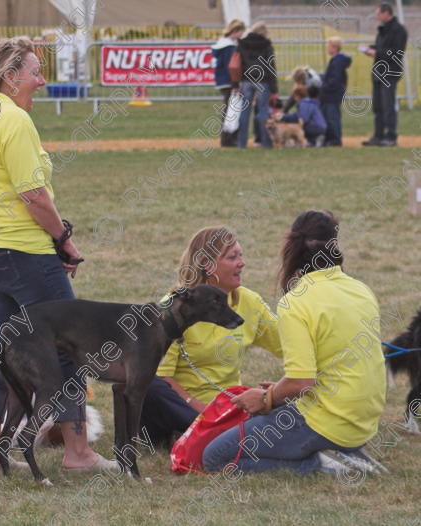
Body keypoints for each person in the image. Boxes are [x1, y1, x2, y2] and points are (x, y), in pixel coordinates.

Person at [0, 37, 117, 473]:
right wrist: (62, 238)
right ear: (11, 77)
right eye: (35, 72)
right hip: (24, 255)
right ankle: (78, 453)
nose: (42, 80)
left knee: (6, 352)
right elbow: (33, 194)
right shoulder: (13, 120)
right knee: (67, 348)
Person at [202, 210, 386, 476]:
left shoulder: (296, 302)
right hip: (363, 422)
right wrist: (278, 392)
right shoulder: (361, 289)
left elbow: (301, 383)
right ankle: (346, 451)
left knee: (215, 457)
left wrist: (266, 397)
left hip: (327, 422)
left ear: (292, 247)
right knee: (263, 418)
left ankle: (322, 463)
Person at [140, 226, 283, 447]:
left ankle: (221, 431)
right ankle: (210, 431)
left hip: (225, 405)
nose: (242, 262)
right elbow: (162, 377)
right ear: (207, 265)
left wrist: (280, 391)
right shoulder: (174, 306)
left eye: (241, 255)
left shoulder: (249, 302)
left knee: (289, 397)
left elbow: (287, 346)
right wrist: (199, 409)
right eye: (232, 257)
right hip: (179, 405)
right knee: (148, 384)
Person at [361, 3, 407, 147]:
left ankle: (391, 136)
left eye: (378, 14)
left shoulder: (399, 30)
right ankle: (378, 136)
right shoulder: (382, 30)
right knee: (378, 106)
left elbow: (397, 53)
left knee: (388, 105)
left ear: (387, 13)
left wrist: (377, 53)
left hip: (390, 72)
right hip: (378, 71)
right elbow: (383, 48)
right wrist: (371, 49)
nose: (377, 17)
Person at [236, 22, 278, 149]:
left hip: (246, 79)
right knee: (263, 111)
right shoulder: (266, 44)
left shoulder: (242, 44)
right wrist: (274, 89)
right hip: (263, 80)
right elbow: (271, 66)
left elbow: (238, 62)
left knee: (244, 111)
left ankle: (241, 143)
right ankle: (266, 142)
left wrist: (236, 82)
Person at [211, 19, 246, 147]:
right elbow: (231, 66)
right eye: (241, 32)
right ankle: (228, 140)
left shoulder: (221, 44)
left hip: (223, 81)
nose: (242, 35)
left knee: (228, 110)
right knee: (230, 112)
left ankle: (227, 139)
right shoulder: (229, 47)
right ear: (235, 31)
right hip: (229, 81)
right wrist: (235, 83)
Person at [320, 37, 352, 147]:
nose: (327, 48)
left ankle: (335, 140)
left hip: (332, 94)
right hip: (332, 92)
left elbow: (335, 78)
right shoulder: (336, 60)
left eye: (328, 46)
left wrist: (324, 86)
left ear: (334, 47)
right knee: (330, 115)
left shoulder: (337, 61)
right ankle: (331, 139)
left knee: (332, 116)